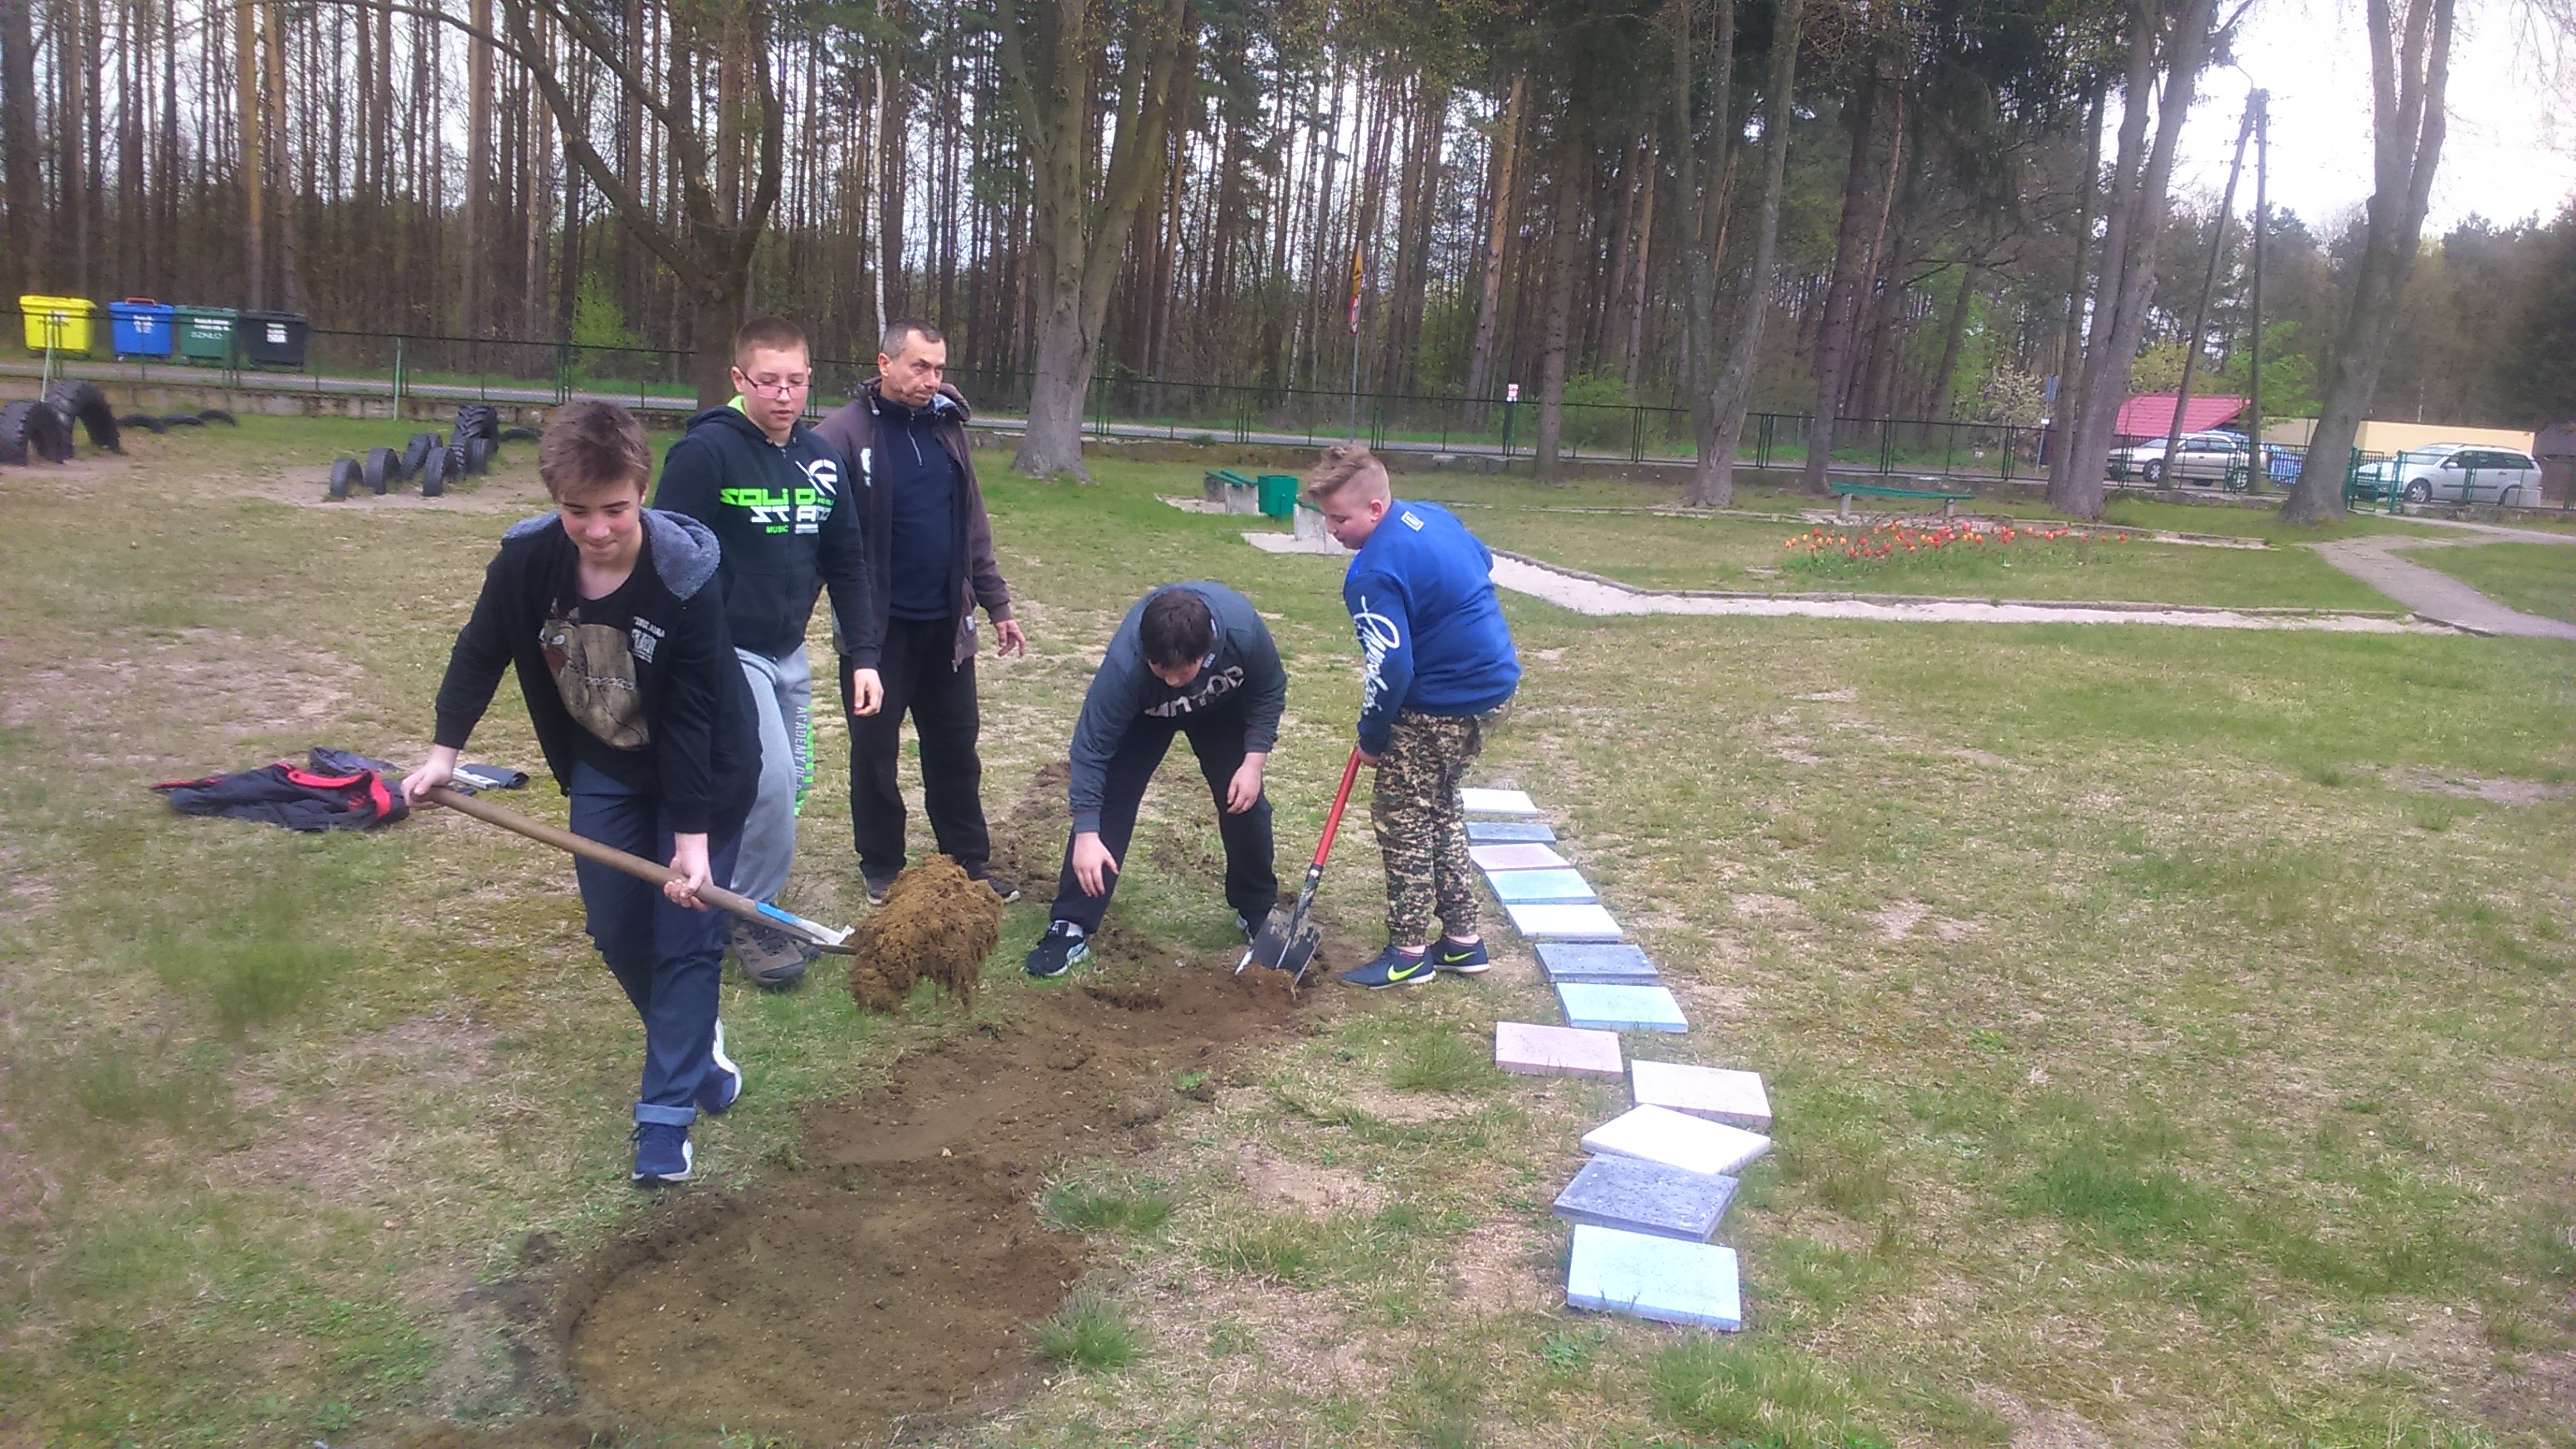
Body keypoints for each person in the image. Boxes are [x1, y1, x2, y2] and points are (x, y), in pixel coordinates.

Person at [403, 402, 761, 1183]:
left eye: (615, 510)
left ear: (643, 490)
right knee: (615, 927)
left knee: (686, 937)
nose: (597, 530)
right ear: (553, 499)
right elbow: (480, 651)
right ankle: (694, 1049)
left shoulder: (684, 577)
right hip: (607, 761)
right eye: (577, 511)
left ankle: (663, 1122)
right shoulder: (527, 562)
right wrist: (443, 756)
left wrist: (691, 845)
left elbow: (692, 718)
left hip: (706, 770)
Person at [652, 315, 879, 989]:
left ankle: (728, 881)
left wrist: (865, 654)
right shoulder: (705, 455)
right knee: (771, 778)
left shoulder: (822, 460)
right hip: (726, 650)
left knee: (794, 780)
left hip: (788, 651)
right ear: (739, 379)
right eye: (769, 381)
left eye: (797, 381)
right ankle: (747, 914)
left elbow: (847, 562)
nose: (784, 395)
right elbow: (667, 555)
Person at [813, 321, 1024, 905]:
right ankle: (882, 864)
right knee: (875, 755)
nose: (932, 380)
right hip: (875, 636)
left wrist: (997, 603)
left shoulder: (947, 427)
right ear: (885, 364)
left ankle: (967, 861)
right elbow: (818, 539)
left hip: (946, 627)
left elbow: (973, 523)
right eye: (919, 366)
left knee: (956, 749)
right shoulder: (840, 435)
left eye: (938, 368)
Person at [1305, 445, 1521, 990]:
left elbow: (1390, 666)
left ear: (1375, 509)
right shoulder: (1432, 516)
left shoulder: (1371, 573)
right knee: (1439, 806)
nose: (1332, 529)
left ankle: (1408, 953)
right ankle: (1463, 942)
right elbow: (1482, 560)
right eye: (1327, 517)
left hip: (1444, 702)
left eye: (1340, 518)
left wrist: (1372, 737)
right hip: (1493, 688)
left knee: (1401, 818)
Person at [1022, 583, 1285, 979]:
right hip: (1144, 716)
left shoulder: (1242, 631)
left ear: (1206, 653)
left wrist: (1254, 761)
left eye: (1182, 673)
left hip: (1220, 708)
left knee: (1244, 801)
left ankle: (1257, 908)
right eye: (1162, 671)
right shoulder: (1125, 668)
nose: (1174, 682)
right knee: (1109, 803)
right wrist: (1087, 834)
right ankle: (1071, 923)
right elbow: (1091, 749)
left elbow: (1269, 689)